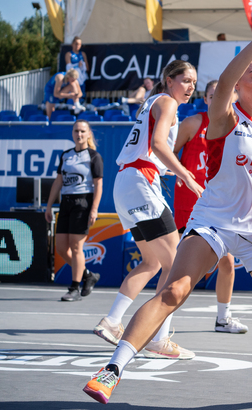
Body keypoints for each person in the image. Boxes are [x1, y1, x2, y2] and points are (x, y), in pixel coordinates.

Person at [83, 8, 252, 408]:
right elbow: (231, 80)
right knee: (174, 290)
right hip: (215, 220)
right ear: (238, 84)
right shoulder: (222, 116)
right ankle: (112, 369)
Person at [92, 60, 204, 360]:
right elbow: (157, 144)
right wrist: (185, 174)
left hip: (128, 183)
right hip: (140, 182)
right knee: (177, 265)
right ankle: (159, 337)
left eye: (194, 81)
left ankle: (112, 321)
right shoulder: (166, 102)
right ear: (169, 80)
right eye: (185, 80)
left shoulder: (152, 102)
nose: (191, 86)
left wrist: (171, 171)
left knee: (152, 262)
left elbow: (150, 148)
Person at [172, 79, 248, 334]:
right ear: (206, 100)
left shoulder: (241, 128)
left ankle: (222, 319)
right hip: (191, 205)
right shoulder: (194, 123)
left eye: (224, 94)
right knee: (177, 268)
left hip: (219, 207)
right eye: (213, 95)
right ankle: (159, 325)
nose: (219, 99)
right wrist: (182, 174)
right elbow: (169, 152)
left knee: (226, 263)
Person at [45, 120, 102, 302]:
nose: (79, 134)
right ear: (72, 133)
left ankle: (74, 288)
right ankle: (88, 275)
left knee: (77, 247)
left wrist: (94, 209)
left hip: (83, 202)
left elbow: (98, 184)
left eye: (83, 131)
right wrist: (48, 206)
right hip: (66, 203)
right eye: (76, 131)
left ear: (88, 134)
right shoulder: (66, 155)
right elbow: (58, 181)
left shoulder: (93, 156)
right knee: (61, 248)